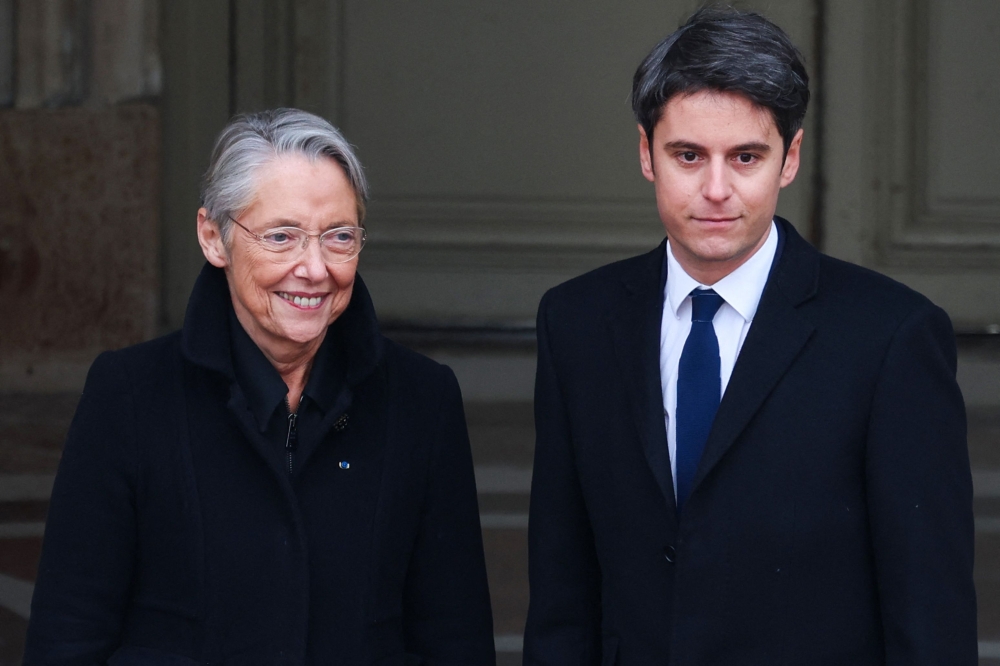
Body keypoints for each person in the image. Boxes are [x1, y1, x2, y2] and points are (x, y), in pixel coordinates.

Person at [523, 7, 977, 665]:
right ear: (646, 153)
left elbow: (929, 614)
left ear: (789, 159)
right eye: (688, 155)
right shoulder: (577, 323)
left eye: (745, 157)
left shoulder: (891, 337)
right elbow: (562, 591)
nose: (716, 189)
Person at [25, 108, 496, 665]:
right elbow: (69, 635)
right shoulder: (130, 396)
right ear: (213, 237)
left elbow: (455, 638)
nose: (315, 268)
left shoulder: (422, 399)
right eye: (282, 236)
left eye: (339, 237)